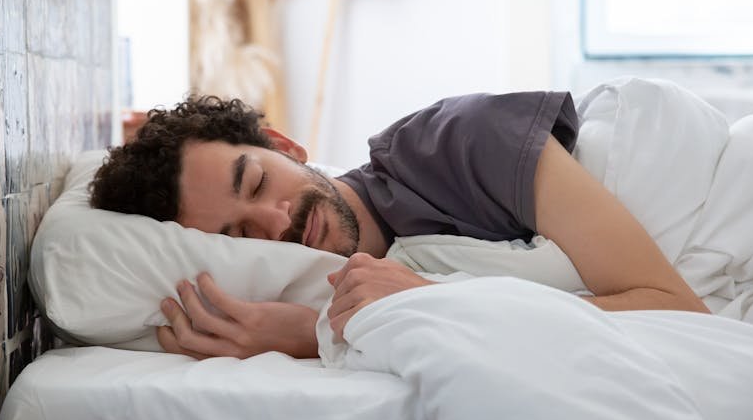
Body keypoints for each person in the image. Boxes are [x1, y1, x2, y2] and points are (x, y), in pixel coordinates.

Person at [90, 93, 710, 360]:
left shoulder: (456, 143)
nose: (277, 223)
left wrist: (416, 312)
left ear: (286, 145)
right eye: (239, 237)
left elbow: (676, 309)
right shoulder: (354, 276)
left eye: (256, 184)